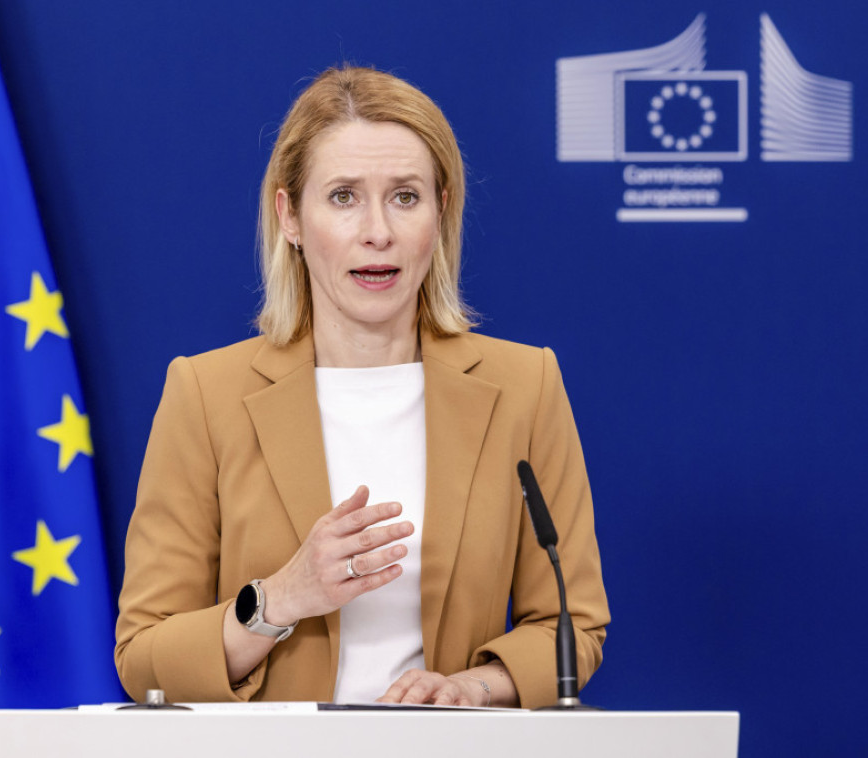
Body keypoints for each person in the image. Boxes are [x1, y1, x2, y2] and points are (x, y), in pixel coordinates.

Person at [114, 66, 608, 709]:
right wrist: (280, 599)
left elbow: (571, 626)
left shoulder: (525, 387)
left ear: (441, 212)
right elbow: (144, 657)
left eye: (405, 196)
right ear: (290, 216)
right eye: (344, 196)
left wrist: (472, 688)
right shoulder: (206, 395)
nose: (378, 231)